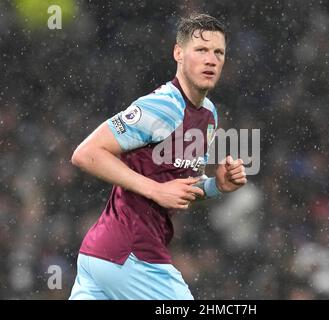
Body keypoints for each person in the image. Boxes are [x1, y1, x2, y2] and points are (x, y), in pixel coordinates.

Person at [69, 13, 247, 300]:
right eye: (201, 50)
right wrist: (155, 190)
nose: (211, 59)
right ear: (178, 53)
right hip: (132, 254)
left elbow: (179, 185)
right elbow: (86, 154)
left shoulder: (209, 114)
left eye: (218, 52)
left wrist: (216, 185)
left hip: (101, 256)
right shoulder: (162, 106)